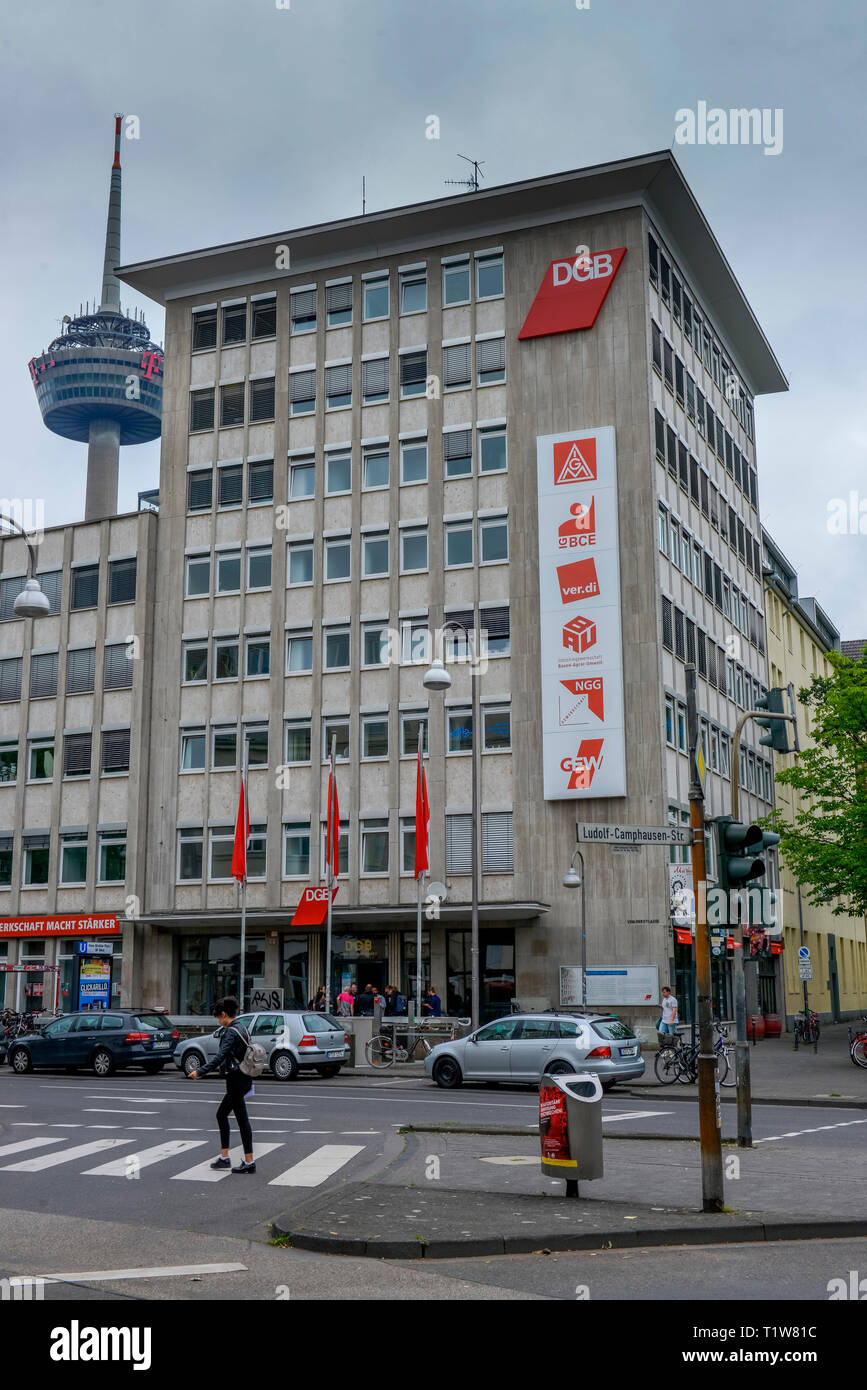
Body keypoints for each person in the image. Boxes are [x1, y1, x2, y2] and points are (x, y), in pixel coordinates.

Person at [188, 995, 256, 1175]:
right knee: (233, 1117)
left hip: (235, 1080)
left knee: (231, 1117)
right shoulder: (243, 1028)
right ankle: (234, 1158)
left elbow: (220, 1057)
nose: (219, 1021)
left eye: (219, 1018)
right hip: (245, 1078)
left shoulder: (230, 1032)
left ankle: (239, 1160)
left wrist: (200, 1071)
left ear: (224, 1014)